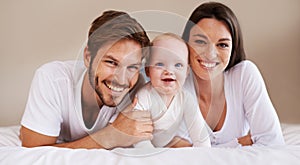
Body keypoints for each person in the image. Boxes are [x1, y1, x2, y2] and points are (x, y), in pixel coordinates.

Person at [19, 10, 154, 149]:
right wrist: (111, 136)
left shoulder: (139, 90)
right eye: (111, 62)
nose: (121, 79)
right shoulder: (53, 79)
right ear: (88, 57)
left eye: (132, 67)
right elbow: (34, 151)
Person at [176, 2, 285, 147]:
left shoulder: (244, 75)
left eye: (222, 45)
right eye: (200, 41)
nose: (210, 54)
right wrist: (238, 143)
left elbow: (273, 142)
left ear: (233, 48)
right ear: (186, 43)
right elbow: (177, 153)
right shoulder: (174, 83)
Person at [116, 33, 211, 148]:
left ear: (187, 71)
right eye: (160, 64)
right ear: (147, 71)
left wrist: (205, 153)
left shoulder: (186, 99)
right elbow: (138, 135)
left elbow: (199, 132)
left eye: (178, 65)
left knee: (183, 145)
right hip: (139, 144)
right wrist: (151, 155)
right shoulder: (144, 96)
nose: (169, 71)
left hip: (167, 142)